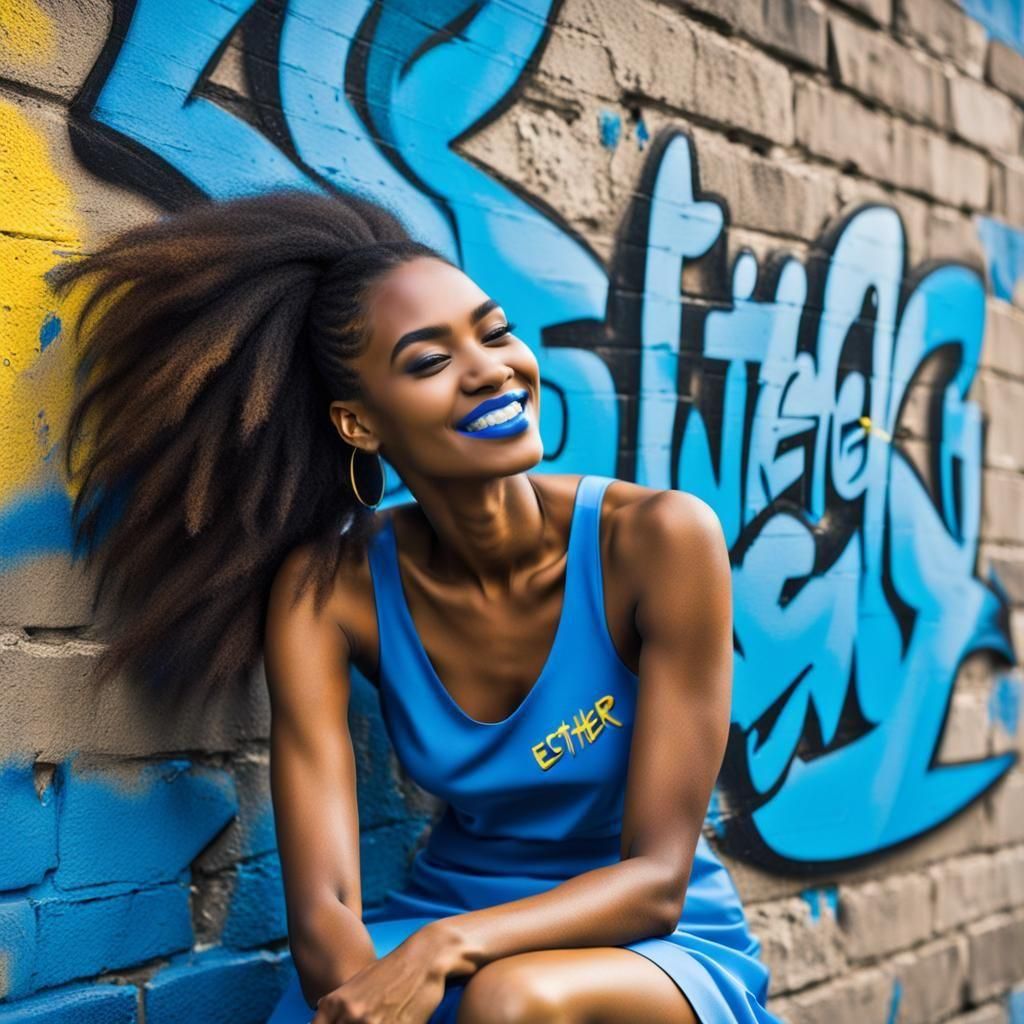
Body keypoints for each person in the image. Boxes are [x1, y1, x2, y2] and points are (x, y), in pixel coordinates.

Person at [51, 189, 783, 1024]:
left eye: (496, 333)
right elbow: (325, 906)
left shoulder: (660, 540)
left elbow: (655, 882)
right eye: (430, 362)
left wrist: (443, 949)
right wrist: (367, 986)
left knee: (514, 1000)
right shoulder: (329, 592)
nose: (490, 370)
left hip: (649, 943)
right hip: (446, 913)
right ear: (358, 423)